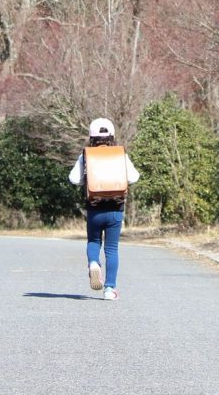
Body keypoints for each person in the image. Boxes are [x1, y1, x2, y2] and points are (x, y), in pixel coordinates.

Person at [68, 117, 140, 301]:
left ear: (91, 137)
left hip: (94, 208)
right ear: (112, 136)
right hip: (116, 208)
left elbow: (74, 179)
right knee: (112, 248)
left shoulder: (86, 155)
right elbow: (134, 177)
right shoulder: (121, 154)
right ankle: (110, 289)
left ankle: (93, 263)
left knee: (93, 241)